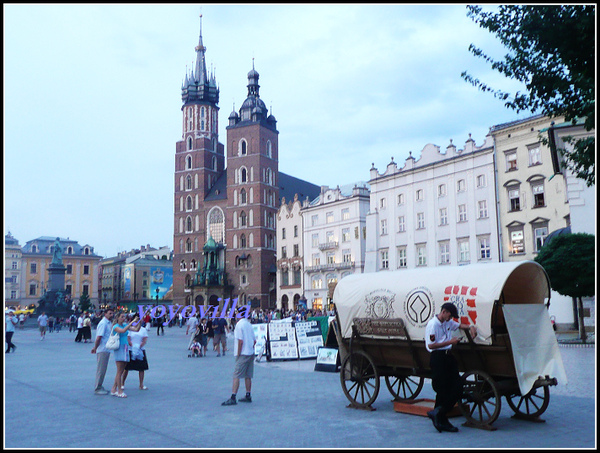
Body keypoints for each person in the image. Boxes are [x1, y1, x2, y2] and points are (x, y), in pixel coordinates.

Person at [425, 302, 477, 433]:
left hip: (448, 357)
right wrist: (450, 342)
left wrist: (470, 327)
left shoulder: (448, 322)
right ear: (444, 312)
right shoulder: (433, 325)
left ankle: (438, 413)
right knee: (443, 390)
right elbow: (431, 345)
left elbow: (459, 325)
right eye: (450, 315)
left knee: (457, 386)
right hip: (438, 357)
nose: (451, 318)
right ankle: (441, 419)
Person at [222, 312, 256, 406]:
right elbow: (254, 340)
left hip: (243, 353)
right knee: (248, 375)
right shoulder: (249, 324)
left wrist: (238, 353)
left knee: (236, 375)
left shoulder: (239, 325)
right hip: (250, 353)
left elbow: (240, 341)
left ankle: (233, 397)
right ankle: (248, 395)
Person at [110, 311, 141, 398]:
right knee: (119, 371)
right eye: (122, 317)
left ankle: (114, 388)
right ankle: (119, 390)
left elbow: (136, 329)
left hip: (125, 348)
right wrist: (132, 321)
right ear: (118, 318)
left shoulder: (124, 325)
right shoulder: (115, 326)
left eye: (124, 317)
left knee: (122, 370)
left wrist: (139, 321)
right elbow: (123, 331)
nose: (124, 318)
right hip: (119, 348)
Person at [91, 308, 114, 395]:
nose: (111, 315)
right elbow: (99, 337)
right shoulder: (103, 323)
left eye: (112, 313)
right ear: (105, 314)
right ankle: (98, 388)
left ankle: (100, 385)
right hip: (102, 349)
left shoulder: (108, 323)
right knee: (101, 369)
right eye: (110, 313)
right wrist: (95, 348)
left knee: (103, 369)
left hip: (106, 348)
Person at [123, 321, 149, 390]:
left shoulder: (143, 330)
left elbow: (144, 339)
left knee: (141, 368)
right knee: (126, 368)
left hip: (140, 350)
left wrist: (139, 346)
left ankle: (141, 384)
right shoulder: (130, 329)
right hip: (131, 349)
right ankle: (122, 383)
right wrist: (133, 346)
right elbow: (128, 339)